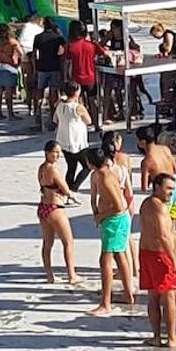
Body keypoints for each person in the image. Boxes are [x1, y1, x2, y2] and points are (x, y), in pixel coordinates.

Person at [139, 172, 176, 348]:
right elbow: (163, 235)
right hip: (161, 256)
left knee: (153, 297)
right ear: (157, 187)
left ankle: (157, 336)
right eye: (168, 189)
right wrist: (174, 259)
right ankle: (172, 337)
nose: (171, 193)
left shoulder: (146, 204)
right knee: (169, 297)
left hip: (147, 254)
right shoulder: (159, 207)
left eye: (173, 189)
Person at [89, 149, 135, 316]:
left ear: (91, 163)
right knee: (120, 255)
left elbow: (119, 206)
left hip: (114, 221)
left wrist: (100, 216)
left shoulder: (105, 178)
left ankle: (105, 303)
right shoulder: (104, 174)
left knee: (105, 260)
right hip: (117, 220)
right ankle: (128, 294)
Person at [37, 141, 83, 285]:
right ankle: (71, 275)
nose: (57, 155)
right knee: (68, 242)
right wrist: (73, 196)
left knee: (47, 243)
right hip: (55, 208)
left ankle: (49, 275)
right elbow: (64, 188)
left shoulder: (41, 168)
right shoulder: (53, 170)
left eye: (58, 152)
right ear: (47, 152)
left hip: (43, 207)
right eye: (54, 152)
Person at [102, 130, 138, 279]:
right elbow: (129, 178)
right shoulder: (126, 158)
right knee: (128, 236)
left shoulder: (105, 161)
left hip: (117, 200)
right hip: (127, 196)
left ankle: (127, 270)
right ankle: (135, 268)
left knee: (122, 240)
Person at [65, 21, 108, 129]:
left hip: (76, 78)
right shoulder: (91, 45)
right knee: (92, 100)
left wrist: (66, 77)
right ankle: (97, 124)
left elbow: (67, 62)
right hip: (90, 77)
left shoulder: (70, 46)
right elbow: (103, 53)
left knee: (78, 102)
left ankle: (81, 123)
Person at [55, 82, 93, 200]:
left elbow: (55, 120)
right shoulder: (78, 107)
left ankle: (66, 192)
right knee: (87, 166)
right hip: (78, 142)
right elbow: (88, 121)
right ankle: (73, 189)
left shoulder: (59, 105)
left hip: (64, 140)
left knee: (71, 167)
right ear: (77, 92)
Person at [138, 125, 176, 222]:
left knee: (162, 225)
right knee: (172, 226)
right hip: (174, 188)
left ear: (142, 143)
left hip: (162, 193)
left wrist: (151, 177)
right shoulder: (165, 149)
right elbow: (175, 168)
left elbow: (144, 188)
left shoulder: (146, 161)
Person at [32, 17, 66, 130]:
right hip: (54, 67)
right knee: (53, 92)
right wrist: (63, 70)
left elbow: (34, 54)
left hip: (42, 67)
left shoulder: (38, 37)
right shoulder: (58, 38)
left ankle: (38, 112)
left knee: (39, 90)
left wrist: (35, 68)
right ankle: (52, 116)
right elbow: (62, 55)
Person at [0, 24, 24, 121]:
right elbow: (21, 53)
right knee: (9, 92)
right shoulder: (12, 41)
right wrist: (17, 61)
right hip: (10, 66)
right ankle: (10, 114)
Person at [18, 14, 44, 118]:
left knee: (29, 86)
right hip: (36, 59)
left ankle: (30, 108)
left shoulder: (27, 27)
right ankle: (36, 109)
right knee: (37, 88)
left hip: (26, 56)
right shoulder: (38, 29)